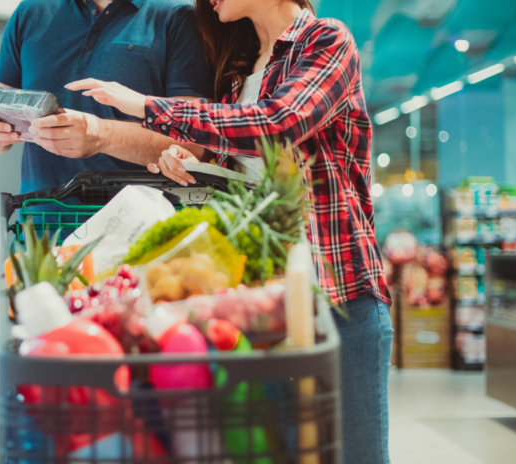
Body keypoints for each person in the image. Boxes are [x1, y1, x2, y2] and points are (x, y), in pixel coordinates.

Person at [67, 1, 393, 462]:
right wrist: (191, 166)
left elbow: (280, 125)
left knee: (355, 455)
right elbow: (240, 173)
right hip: (265, 303)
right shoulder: (239, 77)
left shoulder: (325, 40)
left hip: (339, 295)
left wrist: (144, 105)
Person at [0, 0, 214, 196]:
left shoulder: (179, 17)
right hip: (40, 230)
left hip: (142, 234)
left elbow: (196, 143)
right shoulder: (30, 11)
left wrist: (101, 135)